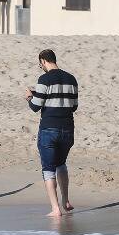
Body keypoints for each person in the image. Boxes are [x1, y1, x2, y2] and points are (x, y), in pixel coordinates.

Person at [26, 49, 79, 218]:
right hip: (68, 129)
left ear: (43, 61)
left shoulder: (44, 79)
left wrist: (29, 97)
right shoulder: (71, 78)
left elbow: (35, 106)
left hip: (49, 128)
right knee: (61, 164)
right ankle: (66, 200)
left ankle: (56, 208)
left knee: (48, 169)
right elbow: (74, 106)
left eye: (40, 63)